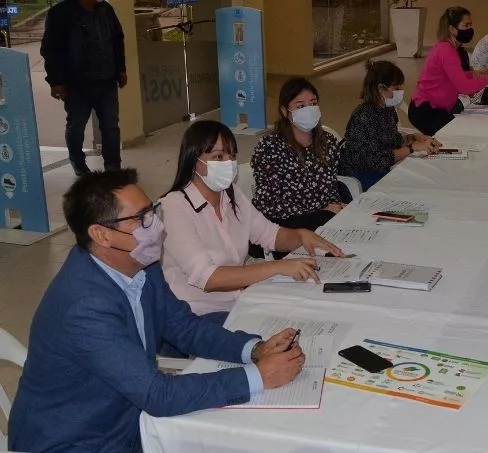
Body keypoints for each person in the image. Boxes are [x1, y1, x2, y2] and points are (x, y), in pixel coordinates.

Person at [8, 169, 306, 450]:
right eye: (142, 218)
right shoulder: (85, 306)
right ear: (101, 235)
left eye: (153, 211)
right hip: (77, 441)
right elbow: (157, 394)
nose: (157, 226)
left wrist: (255, 350)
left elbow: (184, 327)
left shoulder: (140, 263)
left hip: (127, 420)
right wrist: (258, 376)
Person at [161, 120, 343, 324]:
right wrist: (277, 267)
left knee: (312, 308)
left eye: (231, 155)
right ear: (193, 161)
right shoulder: (174, 207)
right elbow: (209, 278)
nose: (229, 162)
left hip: (238, 301)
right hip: (197, 315)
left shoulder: (230, 194)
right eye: (218, 157)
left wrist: (301, 235)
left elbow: (270, 234)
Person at [250, 78, 347, 243]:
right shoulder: (270, 147)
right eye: (300, 106)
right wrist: (319, 210)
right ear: (285, 111)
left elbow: (331, 188)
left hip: (322, 214)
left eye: (313, 103)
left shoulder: (327, 142)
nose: (308, 110)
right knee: (328, 222)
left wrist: (336, 205)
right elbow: (270, 202)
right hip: (283, 222)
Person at [41, 0, 127, 176]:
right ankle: (79, 165)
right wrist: (55, 81)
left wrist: (121, 68)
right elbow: (50, 49)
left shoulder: (106, 9)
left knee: (111, 126)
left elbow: (117, 40)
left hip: (107, 80)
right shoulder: (60, 12)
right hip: (77, 84)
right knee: (76, 125)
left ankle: (113, 167)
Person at [340, 60, 440, 190]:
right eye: (396, 88)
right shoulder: (364, 116)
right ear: (380, 89)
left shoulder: (387, 109)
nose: (400, 92)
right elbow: (378, 160)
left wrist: (414, 137)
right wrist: (412, 148)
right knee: (408, 187)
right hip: (361, 174)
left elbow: (392, 140)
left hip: (379, 167)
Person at [409, 6, 488, 136]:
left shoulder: (447, 48)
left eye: (470, 25)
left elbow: (452, 76)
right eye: (466, 25)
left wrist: (475, 74)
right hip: (427, 110)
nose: (470, 29)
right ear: (452, 29)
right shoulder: (447, 51)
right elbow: (464, 87)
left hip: (433, 108)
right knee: (455, 136)